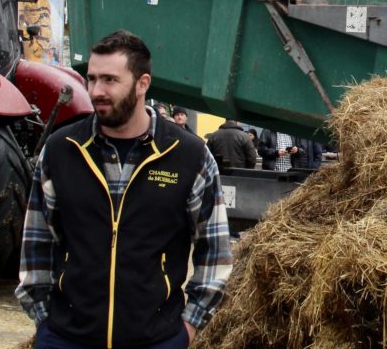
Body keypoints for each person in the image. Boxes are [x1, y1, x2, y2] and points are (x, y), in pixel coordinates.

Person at [16, 30, 231, 349]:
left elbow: (215, 253)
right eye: (91, 78)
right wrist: (46, 322)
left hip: (155, 341)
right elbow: (37, 241)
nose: (96, 90)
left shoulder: (188, 156)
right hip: (67, 339)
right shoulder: (62, 150)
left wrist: (187, 328)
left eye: (110, 80)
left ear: (142, 83)